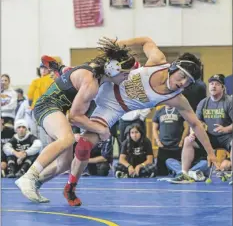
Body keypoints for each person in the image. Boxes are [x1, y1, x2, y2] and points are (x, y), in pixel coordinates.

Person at [28, 36, 219, 206]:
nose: (183, 83)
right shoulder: (158, 61)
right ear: (174, 67)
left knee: (84, 146)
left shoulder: (176, 98)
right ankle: (66, 70)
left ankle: (70, 186)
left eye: (189, 82)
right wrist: (120, 45)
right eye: (183, 77)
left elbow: (195, 123)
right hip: (110, 83)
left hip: (112, 109)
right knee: (98, 69)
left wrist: (210, 152)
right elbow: (146, 41)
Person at [15, 37, 136, 203]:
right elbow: (74, 117)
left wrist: (59, 69)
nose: (126, 78)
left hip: (57, 109)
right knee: (68, 139)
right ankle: (28, 177)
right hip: (47, 106)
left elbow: (70, 74)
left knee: (64, 163)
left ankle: (35, 183)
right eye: (125, 74)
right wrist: (101, 130)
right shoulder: (92, 84)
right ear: (113, 70)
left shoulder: (94, 71)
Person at [171, 74, 232, 183]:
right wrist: (192, 133)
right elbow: (195, 122)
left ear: (222, 87)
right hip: (209, 137)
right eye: (212, 84)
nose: (213, 86)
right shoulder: (203, 103)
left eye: (217, 84)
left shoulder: (229, 102)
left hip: (227, 137)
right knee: (188, 140)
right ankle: (184, 174)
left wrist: (225, 129)